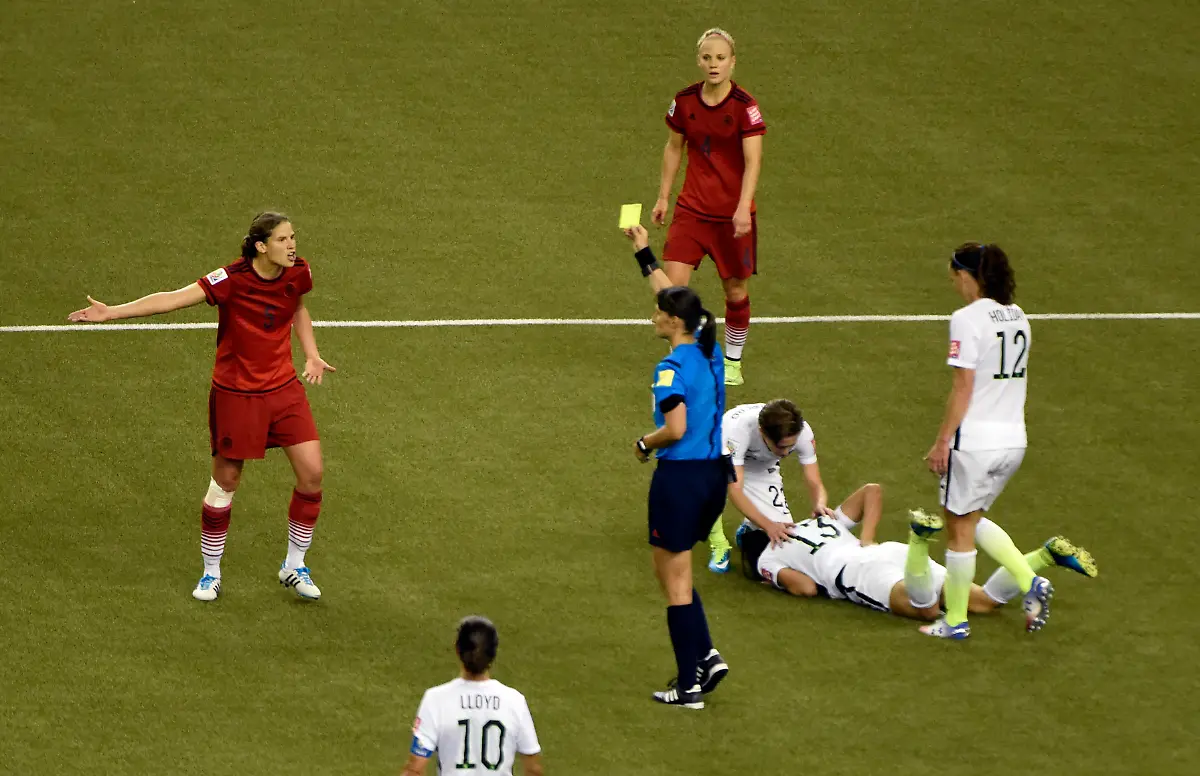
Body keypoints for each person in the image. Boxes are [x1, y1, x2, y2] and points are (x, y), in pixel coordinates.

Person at [67, 212, 336, 602]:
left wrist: (311, 353)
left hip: (283, 390)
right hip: (236, 395)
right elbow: (173, 299)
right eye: (283, 239)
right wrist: (113, 311)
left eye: (293, 237)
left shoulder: (298, 273)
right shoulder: (230, 279)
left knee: (312, 474)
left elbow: (297, 308)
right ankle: (211, 572)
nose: (292, 245)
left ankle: (294, 565)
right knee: (226, 482)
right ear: (261, 246)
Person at [919, 242, 1051, 639]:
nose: (954, 285)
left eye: (955, 277)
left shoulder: (966, 319)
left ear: (968, 276)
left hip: (974, 442)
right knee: (971, 519)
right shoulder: (1019, 316)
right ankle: (1028, 578)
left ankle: (956, 621)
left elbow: (963, 386)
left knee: (958, 529)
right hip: (1013, 441)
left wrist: (942, 441)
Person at [623, 223, 730, 710]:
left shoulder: (669, 370)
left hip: (680, 479)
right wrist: (644, 252)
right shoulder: (710, 350)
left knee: (674, 581)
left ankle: (689, 685)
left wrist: (644, 443)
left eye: (659, 314)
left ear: (672, 323)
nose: (654, 314)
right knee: (675, 572)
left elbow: (676, 428)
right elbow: (672, 295)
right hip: (713, 478)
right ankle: (705, 654)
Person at [740, 506, 1098, 622]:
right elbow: (871, 489)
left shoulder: (768, 557)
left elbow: (804, 588)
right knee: (983, 603)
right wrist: (867, 535)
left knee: (926, 611)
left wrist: (774, 581)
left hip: (861, 576)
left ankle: (919, 539)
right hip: (885, 552)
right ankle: (1045, 555)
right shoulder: (814, 520)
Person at [652, 27, 767, 387]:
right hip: (692, 211)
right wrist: (663, 196)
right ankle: (684, 360)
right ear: (698, 61)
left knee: (735, 292)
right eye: (707, 57)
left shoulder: (745, 107)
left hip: (732, 217)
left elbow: (753, 161)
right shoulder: (685, 101)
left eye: (720, 58)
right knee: (672, 293)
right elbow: (674, 147)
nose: (714, 64)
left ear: (732, 62)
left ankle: (732, 361)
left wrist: (743, 207)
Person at [704, 400, 838, 573]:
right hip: (720, 455)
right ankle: (719, 544)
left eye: (791, 446)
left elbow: (814, 480)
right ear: (762, 432)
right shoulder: (737, 432)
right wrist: (768, 525)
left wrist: (820, 503)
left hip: (760, 465)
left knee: (783, 540)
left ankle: (748, 529)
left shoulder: (803, 433)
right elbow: (735, 490)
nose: (785, 453)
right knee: (710, 489)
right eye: (781, 447)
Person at [405, 617, 543, 776]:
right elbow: (533, 769)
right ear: (493, 653)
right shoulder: (514, 701)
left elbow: (415, 769)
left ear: (457, 650)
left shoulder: (436, 700)